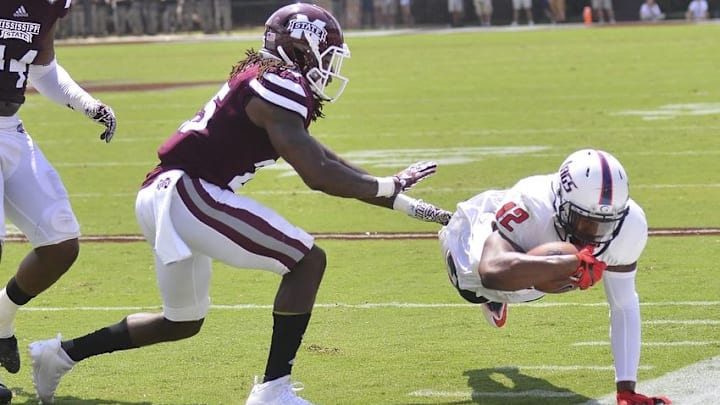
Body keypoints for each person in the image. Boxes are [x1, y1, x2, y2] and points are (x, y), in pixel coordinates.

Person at [27, 3, 451, 405]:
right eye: (327, 52)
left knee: (182, 321)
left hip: (165, 194)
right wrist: (382, 186)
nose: (329, 64)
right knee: (307, 261)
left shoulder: (266, 77)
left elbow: (324, 159)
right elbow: (317, 173)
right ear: (303, 44)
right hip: (190, 193)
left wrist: (390, 191)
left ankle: (59, 355)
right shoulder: (280, 83)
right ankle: (273, 390)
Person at [438, 149, 671, 405]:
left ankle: (516, 282)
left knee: (537, 286)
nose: (593, 234)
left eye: (604, 224)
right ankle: (489, 287)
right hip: (490, 240)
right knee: (471, 285)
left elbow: (624, 303)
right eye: (583, 222)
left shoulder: (630, 225)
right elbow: (492, 271)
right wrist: (568, 262)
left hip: (533, 268)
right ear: (561, 203)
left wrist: (626, 389)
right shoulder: (532, 202)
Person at [0, 1, 116, 404]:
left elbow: (44, 70)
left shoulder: (47, 5)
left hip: (9, 130)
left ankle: (0, 321)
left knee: (60, 241)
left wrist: (87, 104)